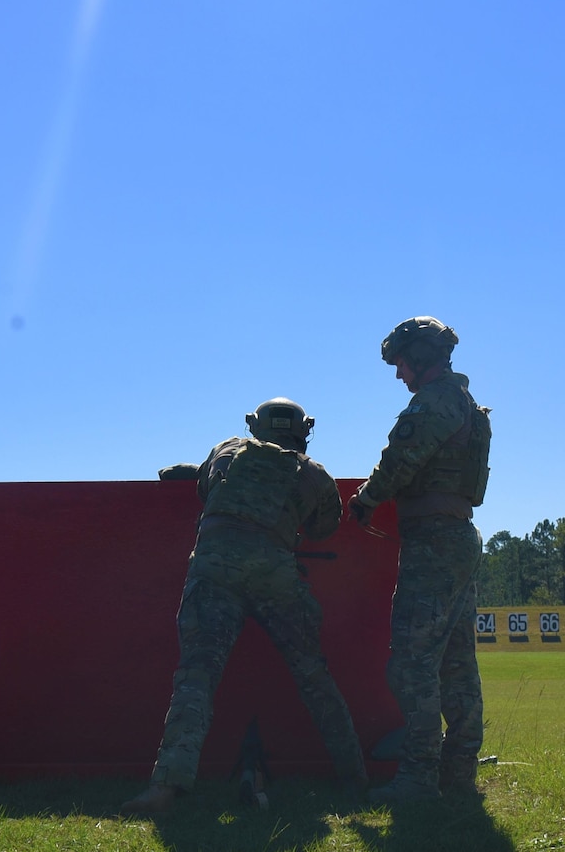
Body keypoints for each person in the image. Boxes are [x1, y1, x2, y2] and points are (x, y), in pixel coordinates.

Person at [120, 399, 370, 815]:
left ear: (256, 426)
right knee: (314, 677)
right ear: (302, 431)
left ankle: (166, 788)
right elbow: (324, 528)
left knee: (196, 678)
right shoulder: (314, 474)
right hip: (276, 575)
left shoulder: (226, 450)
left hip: (214, 569)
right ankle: (357, 781)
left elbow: (204, 489)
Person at [349, 318, 491, 801]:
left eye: (402, 364)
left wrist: (365, 500)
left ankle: (417, 778)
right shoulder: (465, 402)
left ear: (422, 358)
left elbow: (398, 462)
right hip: (458, 537)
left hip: (433, 543)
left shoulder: (433, 403)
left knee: (411, 664)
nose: (399, 375)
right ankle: (458, 775)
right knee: (455, 663)